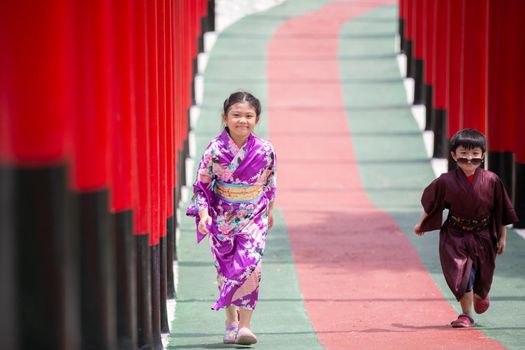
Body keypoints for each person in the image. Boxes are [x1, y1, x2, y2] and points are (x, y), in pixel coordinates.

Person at [186, 91, 276, 345]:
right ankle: (230, 321)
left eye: (249, 116)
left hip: (254, 214)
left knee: (250, 266)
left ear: (257, 119)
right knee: (226, 270)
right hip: (222, 216)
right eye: (236, 115)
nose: (242, 121)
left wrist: (270, 209)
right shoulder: (214, 150)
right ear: (224, 117)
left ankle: (245, 326)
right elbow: (202, 186)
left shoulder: (266, 149)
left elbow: (270, 182)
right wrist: (203, 214)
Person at [413, 128, 518, 328]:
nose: (469, 160)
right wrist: (421, 223)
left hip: (484, 234)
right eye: (463, 155)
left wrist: (502, 237)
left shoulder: (492, 180)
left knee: (482, 276)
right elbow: (432, 204)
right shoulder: (445, 181)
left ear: (483, 156)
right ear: (453, 155)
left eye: (475, 155)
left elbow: (501, 211)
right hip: (455, 234)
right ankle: (466, 314)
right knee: (462, 274)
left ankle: (480, 295)